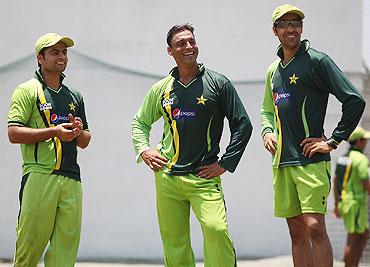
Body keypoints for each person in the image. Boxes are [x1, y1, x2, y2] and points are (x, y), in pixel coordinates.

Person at [132, 23, 252, 267]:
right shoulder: (161, 88)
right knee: (175, 244)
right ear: (170, 51)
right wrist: (144, 150)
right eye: (181, 43)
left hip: (204, 177)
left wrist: (225, 163)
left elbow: (243, 125)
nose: (189, 46)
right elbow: (140, 123)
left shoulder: (218, 83)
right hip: (167, 178)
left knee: (216, 229)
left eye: (191, 41)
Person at [260, 4, 365, 267]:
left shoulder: (318, 61)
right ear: (275, 31)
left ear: (302, 28)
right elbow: (266, 110)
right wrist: (267, 131)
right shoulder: (273, 71)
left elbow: (354, 101)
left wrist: (332, 141)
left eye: (295, 23)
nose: (290, 28)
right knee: (296, 232)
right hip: (282, 162)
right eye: (283, 24)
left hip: (311, 161)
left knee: (315, 227)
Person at [7, 33, 91, 267]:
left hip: (72, 179)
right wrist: (54, 131)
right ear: (40, 58)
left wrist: (77, 131)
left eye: (64, 52)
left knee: (66, 252)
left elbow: (85, 140)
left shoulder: (74, 95)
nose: (61, 57)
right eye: (55, 52)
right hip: (40, 175)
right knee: (29, 248)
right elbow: (13, 133)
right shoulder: (27, 90)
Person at [333, 127, 370, 267]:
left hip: (345, 202)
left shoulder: (343, 157)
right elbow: (366, 183)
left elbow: (336, 180)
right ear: (359, 141)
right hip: (355, 204)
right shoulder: (361, 159)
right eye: (364, 139)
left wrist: (337, 204)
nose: (366, 142)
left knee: (364, 234)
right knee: (353, 238)